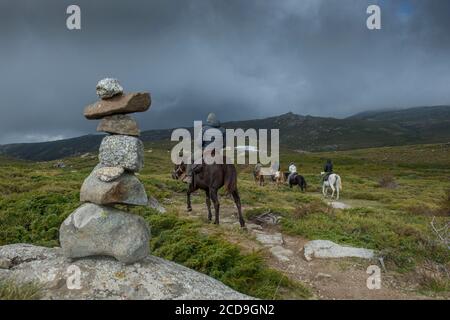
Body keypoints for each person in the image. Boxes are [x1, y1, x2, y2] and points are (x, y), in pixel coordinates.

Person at [185, 113, 226, 184]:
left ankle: (189, 177)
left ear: (209, 121)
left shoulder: (204, 128)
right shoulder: (223, 130)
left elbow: (199, 143)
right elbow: (225, 144)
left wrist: (203, 147)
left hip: (206, 151)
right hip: (217, 152)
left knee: (190, 159)